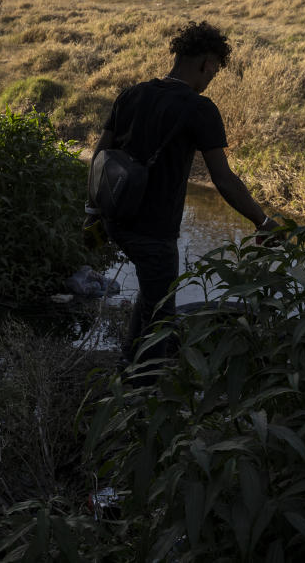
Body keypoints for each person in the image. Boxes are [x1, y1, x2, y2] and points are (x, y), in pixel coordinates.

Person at [86, 21, 276, 372]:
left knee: (153, 295)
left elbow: (99, 156)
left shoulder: (131, 94)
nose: (212, 78)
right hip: (154, 232)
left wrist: (92, 211)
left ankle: (127, 363)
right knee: (162, 322)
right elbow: (224, 180)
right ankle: (141, 398)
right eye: (215, 69)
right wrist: (262, 221)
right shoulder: (200, 109)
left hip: (115, 219)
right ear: (206, 63)